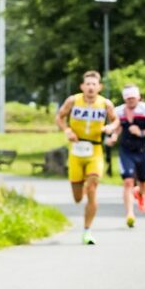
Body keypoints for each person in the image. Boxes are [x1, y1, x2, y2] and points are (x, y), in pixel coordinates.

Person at [55, 70, 117, 245]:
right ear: (82, 86)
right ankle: (80, 187)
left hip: (95, 150)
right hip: (76, 150)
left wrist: (111, 130)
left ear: (99, 87)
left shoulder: (105, 104)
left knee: (92, 188)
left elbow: (116, 121)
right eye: (87, 84)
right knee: (77, 198)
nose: (90, 87)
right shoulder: (73, 100)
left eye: (94, 84)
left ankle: (87, 230)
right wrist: (67, 130)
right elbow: (60, 117)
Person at [107, 85, 145, 228]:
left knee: (143, 181)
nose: (130, 101)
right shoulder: (119, 111)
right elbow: (117, 127)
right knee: (128, 182)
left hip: (142, 150)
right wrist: (113, 136)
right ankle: (130, 214)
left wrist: (142, 132)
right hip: (126, 151)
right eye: (127, 98)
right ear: (124, 98)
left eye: (133, 98)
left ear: (138, 97)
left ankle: (142, 195)